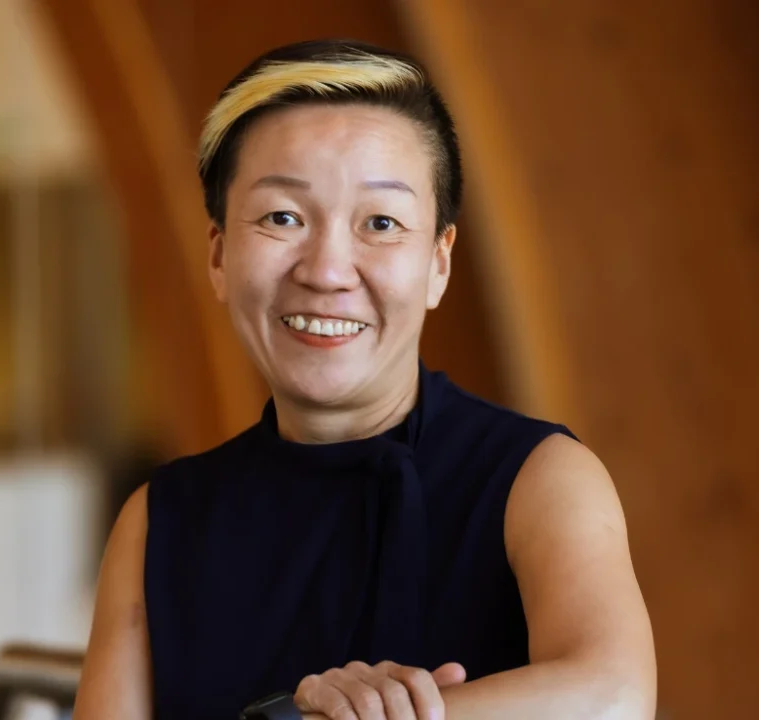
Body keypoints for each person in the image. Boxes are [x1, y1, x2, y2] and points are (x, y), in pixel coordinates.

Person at [72, 39, 656, 720]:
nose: (325, 270)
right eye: (282, 217)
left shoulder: (539, 479)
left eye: (380, 223)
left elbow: (613, 698)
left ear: (438, 263)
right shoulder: (158, 522)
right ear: (220, 254)